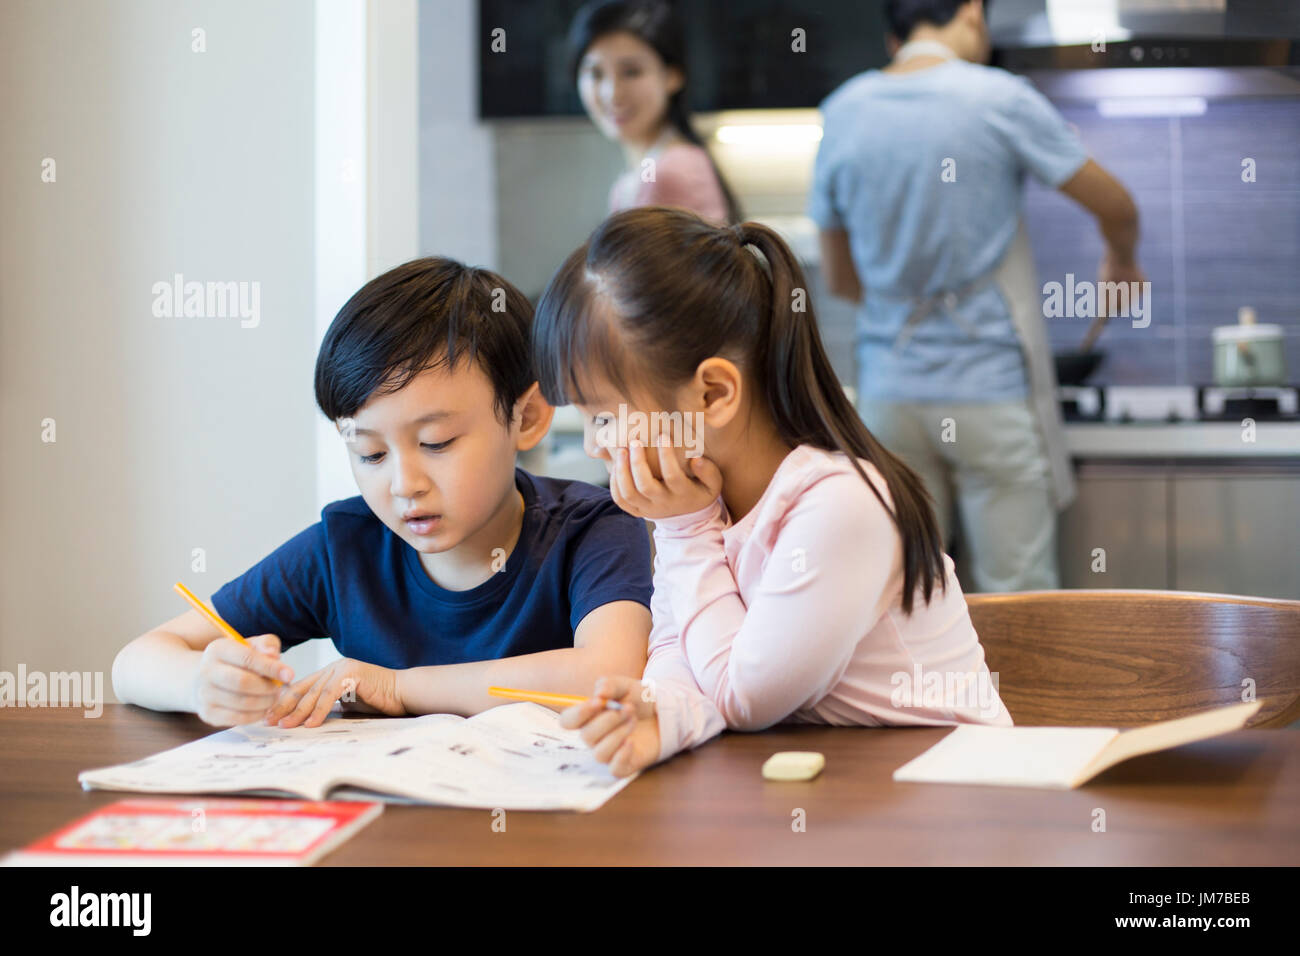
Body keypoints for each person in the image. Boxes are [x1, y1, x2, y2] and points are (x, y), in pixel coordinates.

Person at [533, 206, 1011, 778]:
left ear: (712, 394)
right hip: (842, 792)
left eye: (605, 416)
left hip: (955, 798)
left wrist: (685, 530)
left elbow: (745, 696)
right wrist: (660, 713)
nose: (593, 445)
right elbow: (678, 648)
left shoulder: (840, 505)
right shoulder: (706, 502)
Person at [112, 257, 653, 728]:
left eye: (436, 442)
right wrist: (200, 683)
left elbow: (607, 673)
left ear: (528, 417)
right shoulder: (342, 550)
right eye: (370, 454)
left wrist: (397, 688)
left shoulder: (594, 528)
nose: (403, 484)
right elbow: (135, 661)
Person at [810, 0, 1145, 591]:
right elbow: (1117, 204)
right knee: (1018, 603)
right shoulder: (999, 98)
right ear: (970, 12)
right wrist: (1120, 260)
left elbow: (839, 279)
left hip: (890, 402)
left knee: (905, 603)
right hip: (989, 398)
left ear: (894, 40)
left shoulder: (842, 110)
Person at [568, 0, 740, 224]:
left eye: (631, 72)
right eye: (595, 74)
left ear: (673, 76)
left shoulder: (668, 173)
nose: (613, 94)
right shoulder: (639, 176)